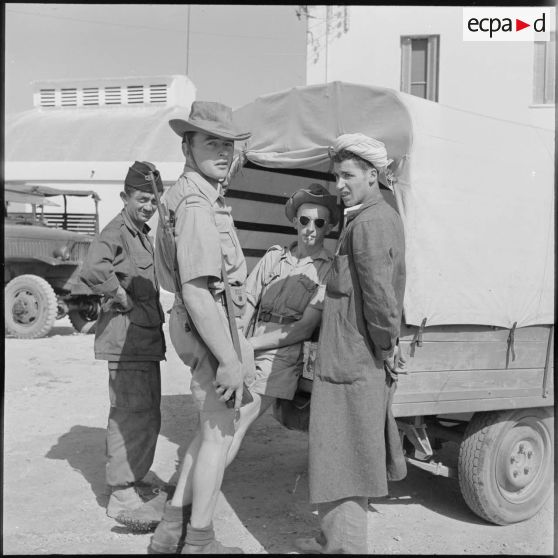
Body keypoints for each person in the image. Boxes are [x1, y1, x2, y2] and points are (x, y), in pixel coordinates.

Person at [122, 101, 254, 555]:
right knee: (219, 436)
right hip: (209, 324)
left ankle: (170, 528)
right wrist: (231, 360)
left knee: (209, 430)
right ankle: (200, 541)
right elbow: (199, 292)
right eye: (210, 141)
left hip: (196, 322)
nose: (222, 151)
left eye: (227, 143)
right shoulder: (198, 204)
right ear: (187, 145)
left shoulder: (184, 194)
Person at [296, 133, 408, 554]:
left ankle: (343, 549)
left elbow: (381, 298)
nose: (339, 184)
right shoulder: (363, 217)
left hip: (355, 363)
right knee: (335, 457)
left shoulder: (374, 221)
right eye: (336, 175)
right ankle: (330, 541)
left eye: (347, 175)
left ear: (373, 175)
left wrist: (383, 349)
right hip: (345, 360)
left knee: (345, 464)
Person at [79, 161, 167, 521]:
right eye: (143, 198)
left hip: (142, 340)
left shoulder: (139, 233)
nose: (148, 206)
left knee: (145, 415)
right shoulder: (116, 232)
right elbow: (93, 270)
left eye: (153, 201)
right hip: (126, 340)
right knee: (130, 415)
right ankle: (121, 494)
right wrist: (122, 297)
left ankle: (135, 478)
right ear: (125, 197)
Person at [226, 183, 337, 462]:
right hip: (249, 340)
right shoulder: (274, 257)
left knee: (235, 421)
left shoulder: (328, 269)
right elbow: (248, 302)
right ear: (295, 222)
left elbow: (303, 328)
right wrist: (238, 342)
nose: (310, 227)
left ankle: (196, 500)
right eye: (305, 220)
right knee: (216, 415)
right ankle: (193, 492)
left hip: (284, 353)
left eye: (319, 222)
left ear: (328, 228)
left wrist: (249, 345)